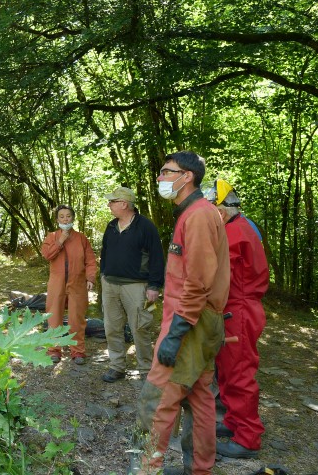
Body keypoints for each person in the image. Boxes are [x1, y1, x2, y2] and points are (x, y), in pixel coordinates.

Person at [131, 151, 230, 475]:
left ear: (186, 176)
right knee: (200, 397)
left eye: (165, 172)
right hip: (197, 320)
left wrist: (176, 333)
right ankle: (200, 470)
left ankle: (145, 469)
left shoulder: (199, 215)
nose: (159, 178)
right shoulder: (194, 213)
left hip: (190, 323)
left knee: (157, 399)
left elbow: (198, 280)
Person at [204, 179, 269, 459]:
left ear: (220, 210)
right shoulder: (237, 226)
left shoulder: (234, 232)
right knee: (227, 370)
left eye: (208, 210)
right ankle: (233, 421)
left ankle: (248, 438)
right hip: (233, 308)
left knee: (239, 373)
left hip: (239, 309)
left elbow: (216, 274)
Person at [100, 187, 165, 383]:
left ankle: (146, 370)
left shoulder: (145, 226)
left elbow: (157, 258)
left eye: (112, 201)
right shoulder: (111, 226)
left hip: (137, 286)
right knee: (112, 327)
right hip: (110, 284)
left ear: (124, 204)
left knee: (140, 327)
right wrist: (103, 276)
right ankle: (117, 366)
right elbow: (105, 253)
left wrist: (154, 286)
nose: (109, 205)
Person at [41, 204, 97, 365]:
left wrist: (90, 278)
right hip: (56, 282)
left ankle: (77, 351)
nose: (65, 219)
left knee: (76, 318)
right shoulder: (52, 236)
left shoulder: (81, 238)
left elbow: (90, 261)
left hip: (77, 282)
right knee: (54, 317)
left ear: (73, 218)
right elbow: (47, 255)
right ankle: (54, 350)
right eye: (62, 216)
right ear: (57, 219)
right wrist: (60, 241)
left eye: (68, 216)